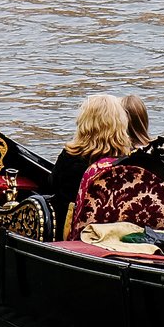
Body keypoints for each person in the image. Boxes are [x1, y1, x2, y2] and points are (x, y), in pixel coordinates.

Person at [50, 94, 133, 234]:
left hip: (71, 233)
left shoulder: (70, 157)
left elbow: (52, 185)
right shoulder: (129, 162)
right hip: (114, 231)